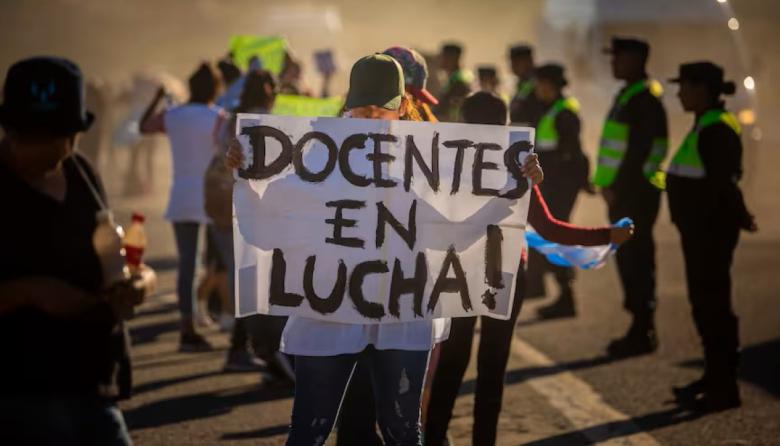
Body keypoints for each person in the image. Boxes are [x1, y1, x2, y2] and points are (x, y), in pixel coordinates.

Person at [424, 91, 633, 446]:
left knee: (453, 361)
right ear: (505, 126)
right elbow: (550, 228)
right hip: (503, 274)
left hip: (458, 271)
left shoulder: (449, 165)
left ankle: (433, 438)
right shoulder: (512, 164)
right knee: (492, 367)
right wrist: (607, 235)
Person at [0, 56, 147, 445]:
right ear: (9, 130)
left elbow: (111, 251)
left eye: (55, 137)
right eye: (30, 138)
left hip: (96, 384)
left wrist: (136, 280)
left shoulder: (81, 172)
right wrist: (27, 291)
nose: (46, 150)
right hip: (21, 393)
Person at [666, 62, 756, 412]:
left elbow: (723, 184)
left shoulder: (716, 129)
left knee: (714, 307)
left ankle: (724, 386)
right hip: (699, 233)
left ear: (701, 89)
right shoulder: (705, 123)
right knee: (705, 307)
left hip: (710, 235)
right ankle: (714, 377)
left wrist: (741, 215)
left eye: (684, 86)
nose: (679, 93)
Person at [209, 69, 295, 380]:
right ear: (270, 90)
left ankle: (244, 349)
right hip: (261, 211)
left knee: (247, 278)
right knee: (262, 282)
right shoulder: (272, 121)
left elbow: (220, 155)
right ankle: (265, 351)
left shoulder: (233, 118)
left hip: (231, 207)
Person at [140, 62, 224, 352]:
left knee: (187, 264)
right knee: (219, 260)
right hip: (213, 196)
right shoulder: (218, 117)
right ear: (216, 89)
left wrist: (157, 99)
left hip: (181, 194)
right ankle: (218, 314)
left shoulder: (172, 115)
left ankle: (187, 324)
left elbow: (142, 127)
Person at [593, 37, 669, 358]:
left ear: (637, 60)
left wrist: (629, 187)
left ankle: (643, 329)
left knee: (637, 259)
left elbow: (653, 149)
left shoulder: (644, 100)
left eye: (618, 57)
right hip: (623, 194)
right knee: (628, 259)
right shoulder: (628, 96)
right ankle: (639, 326)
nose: (613, 63)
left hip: (635, 195)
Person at [528, 64, 591, 319]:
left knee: (557, 237)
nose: (536, 89)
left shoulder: (564, 113)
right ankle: (560, 294)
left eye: (540, 84)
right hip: (554, 184)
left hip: (560, 186)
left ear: (551, 85)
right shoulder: (552, 110)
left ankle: (566, 297)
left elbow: (568, 155)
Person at [434, 42, 472, 122]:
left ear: (451, 58)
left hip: (453, 126)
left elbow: (444, 107)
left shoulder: (459, 80)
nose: (438, 59)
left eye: (442, 56)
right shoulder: (455, 77)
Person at [508, 44, 543, 126]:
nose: (512, 66)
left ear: (528, 61)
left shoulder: (539, 83)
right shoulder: (523, 83)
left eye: (516, 62)